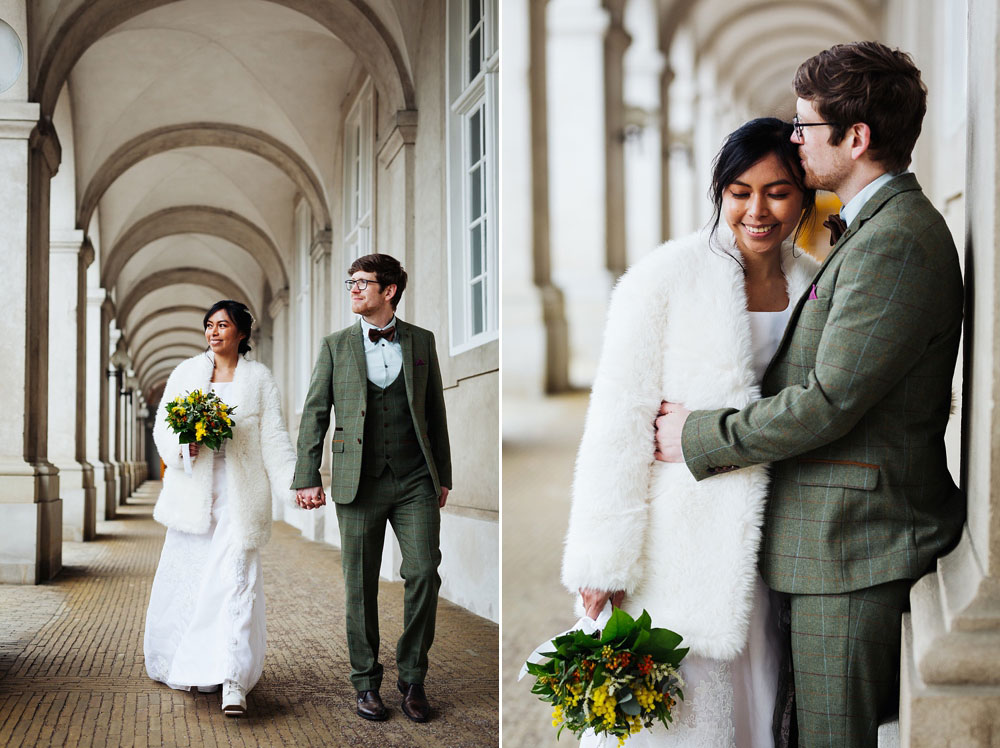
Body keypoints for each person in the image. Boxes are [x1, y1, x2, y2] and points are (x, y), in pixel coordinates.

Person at [654, 43, 965, 748]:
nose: (793, 140)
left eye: (804, 126)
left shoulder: (898, 241)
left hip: (852, 547)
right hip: (825, 541)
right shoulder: (873, 230)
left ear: (855, 139)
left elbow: (827, 401)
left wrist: (697, 435)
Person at [562, 118, 818, 746]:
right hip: (679, 538)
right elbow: (617, 421)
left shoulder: (819, 283)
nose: (757, 210)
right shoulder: (663, 279)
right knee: (682, 713)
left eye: (778, 191)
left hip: (785, 534)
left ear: (805, 195)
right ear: (719, 194)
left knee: (764, 698)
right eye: (739, 191)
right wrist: (603, 557)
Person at [292, 253, 452, 724]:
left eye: (363, 282)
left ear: (390, 291)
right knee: (359, 585)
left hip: (415, 480)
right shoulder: (335, 345)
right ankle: (365, 682)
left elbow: (435, 412)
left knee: (424, 572)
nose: (354, 289)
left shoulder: (421, 341)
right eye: (351, 282)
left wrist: (442, 474)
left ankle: (413, 675)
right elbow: (315, 413)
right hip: (356, 482)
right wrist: (307, 476)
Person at [145, 299, 297, 716]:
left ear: (242, 333)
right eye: (209, 325)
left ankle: (233, 678)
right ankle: (191, 662)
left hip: (239, 496)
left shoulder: (259, 380)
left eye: (223, 325)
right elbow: (164, 428)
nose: (214, 332)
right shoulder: (186, 373)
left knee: (235, 581)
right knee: (194, 583)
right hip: (194, 493)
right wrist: (183, 445)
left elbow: (275, 440)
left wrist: (296, 485)